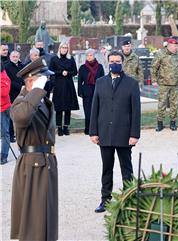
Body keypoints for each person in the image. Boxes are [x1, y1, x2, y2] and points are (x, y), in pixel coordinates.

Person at [10, 58, 58, 241]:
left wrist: (39, 93)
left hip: (46, 163)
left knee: (46, 218)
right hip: (32, 166)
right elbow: (22, 117)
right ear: (31, 81)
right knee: (33, 222)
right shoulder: (21, 102)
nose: (46, 84)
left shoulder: (41, 101)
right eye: (42, 80)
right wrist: (37, 89)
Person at [89, 50, 140, 213]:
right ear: (108, 63)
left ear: (122, 63)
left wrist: (134, 134)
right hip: (104, 133)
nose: (115, 64)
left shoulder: (131, 84)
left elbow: (136, 111)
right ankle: (105, 200)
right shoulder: (100, 82)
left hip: (124, 134)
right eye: (112, 61)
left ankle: (130, 199)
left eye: (118, 61)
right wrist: (93, 132)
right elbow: (95, 108)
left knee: (127, 169)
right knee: (106, 168)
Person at [151, 38, 178, 131]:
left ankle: (173, 122)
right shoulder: (160, 54)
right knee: (162, 103)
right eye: (174, 46)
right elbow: (154, 67)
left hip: (175, 84)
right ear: (169, 46)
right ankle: (160, 123)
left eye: (177, 46)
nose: (176, 48)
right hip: (163, 84)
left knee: (174, 104)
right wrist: (154, 80)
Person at [49, 41, 79, 136]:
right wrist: (61, 72)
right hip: (58, 85)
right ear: (59, 48)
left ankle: (66, 127)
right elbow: (51, 71)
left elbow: (75, 71)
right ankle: (59, 127)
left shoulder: (71, 59)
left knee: (67, 107)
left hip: (68, 85)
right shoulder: (54, 59)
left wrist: (68, 73)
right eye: (63, 47)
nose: (64, 49)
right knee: (59, 108)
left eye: (66, 48)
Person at [78, 48, 105, 135]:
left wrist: (103, 91)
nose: (89, 57)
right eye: (88, 55)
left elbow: (103, 79)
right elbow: (79, 81)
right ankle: (88, 128)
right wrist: (80, 92)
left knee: (97, 109)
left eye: (91, 55)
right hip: (86, 91)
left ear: (94, 56)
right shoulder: (82, 67)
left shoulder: (100, 67)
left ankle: (96, 129)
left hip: (97, 90)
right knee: (87, 110)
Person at [5, 51, 25, 142]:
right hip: (12, 94)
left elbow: (25, 77)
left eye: (17, 56)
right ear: (10, 57)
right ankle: (11, 135)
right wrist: (20, 87)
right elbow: (8, 80)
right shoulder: (7, 67)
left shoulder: (22, 66)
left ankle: (20, 134)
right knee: (11, 115)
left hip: (22, 93)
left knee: (21, 115)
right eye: (13, 56)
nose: (15, 58)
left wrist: (25, 85)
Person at [0, 62, 11, 165]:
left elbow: (4, 92)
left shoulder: (3, 76)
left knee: (4, 133)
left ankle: (3, 155)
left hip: (3, 108)